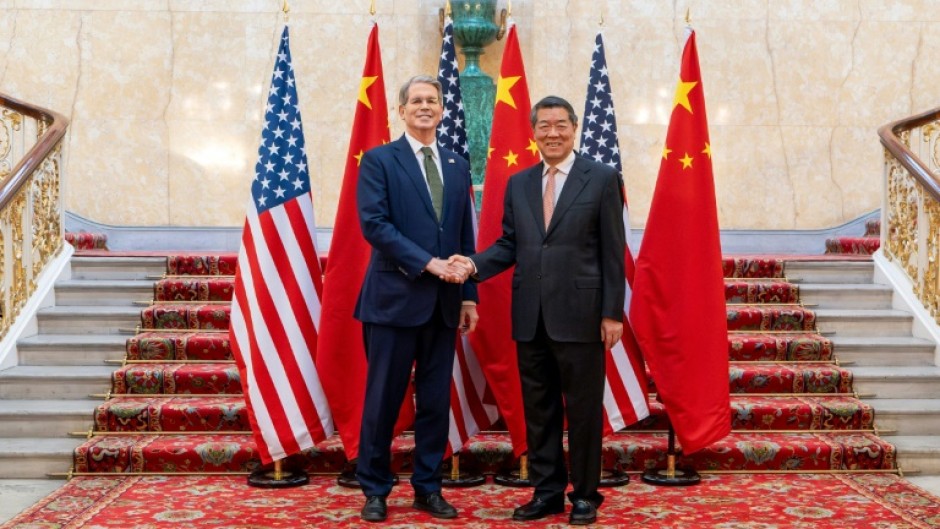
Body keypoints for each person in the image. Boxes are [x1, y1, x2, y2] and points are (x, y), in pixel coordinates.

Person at [450, 95, 625, 525]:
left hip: (583, 316)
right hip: (531, 316)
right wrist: (473, 264)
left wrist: (612, 313)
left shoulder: (602, 178)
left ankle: (585, 495)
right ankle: (547, 492)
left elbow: (613, 251)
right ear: (534, 132)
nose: (552, 133)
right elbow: (512, 244)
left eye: (561, 125)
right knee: (540, 411)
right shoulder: (520, 183)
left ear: (574, 128)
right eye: (544, 125)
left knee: (583, 412)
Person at [354, 75, 479, 522]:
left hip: (444, 306)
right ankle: (375, 488)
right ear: (402, 111)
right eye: (417, 101)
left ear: (442, 110)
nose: (425, 107)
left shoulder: (457, 163)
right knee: (383, 401)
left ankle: (428, 486)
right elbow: (375, 225)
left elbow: (464, 233)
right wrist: (429, 263)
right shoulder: (379, 160)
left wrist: (468, 296)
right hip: (393, 301)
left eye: (433, 100)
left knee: (434, 403)